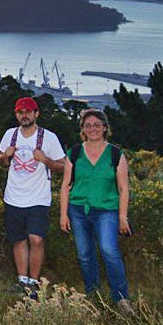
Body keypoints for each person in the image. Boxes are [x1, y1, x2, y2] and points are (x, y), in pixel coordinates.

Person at [60, 109, 133, 313]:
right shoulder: (73, 153)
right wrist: (63, 214)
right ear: (83, 129)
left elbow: (123, 188)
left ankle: (121, 299)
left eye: (97, 125)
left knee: (109, 251)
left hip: (106, 211)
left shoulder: (116, 154)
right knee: (85, 255)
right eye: (88, 125)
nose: (93, 129)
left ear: (104, 128)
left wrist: (122, 216)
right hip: (78, 210)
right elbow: (65, 185)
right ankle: (94, 296)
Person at [0, 96, 66, 295]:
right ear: (16, 115)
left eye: (28, 111)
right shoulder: (10, 134)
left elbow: (63, 166)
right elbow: (2, 163)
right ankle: (22, 280)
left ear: (36, 114)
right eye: (20, 112)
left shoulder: (49, 137)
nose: (24, 115)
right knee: (18, 240)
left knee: (36, 240)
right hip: (13, 197)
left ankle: (35, 284)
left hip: (38, 198)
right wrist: (5, 156)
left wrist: (46, 160)